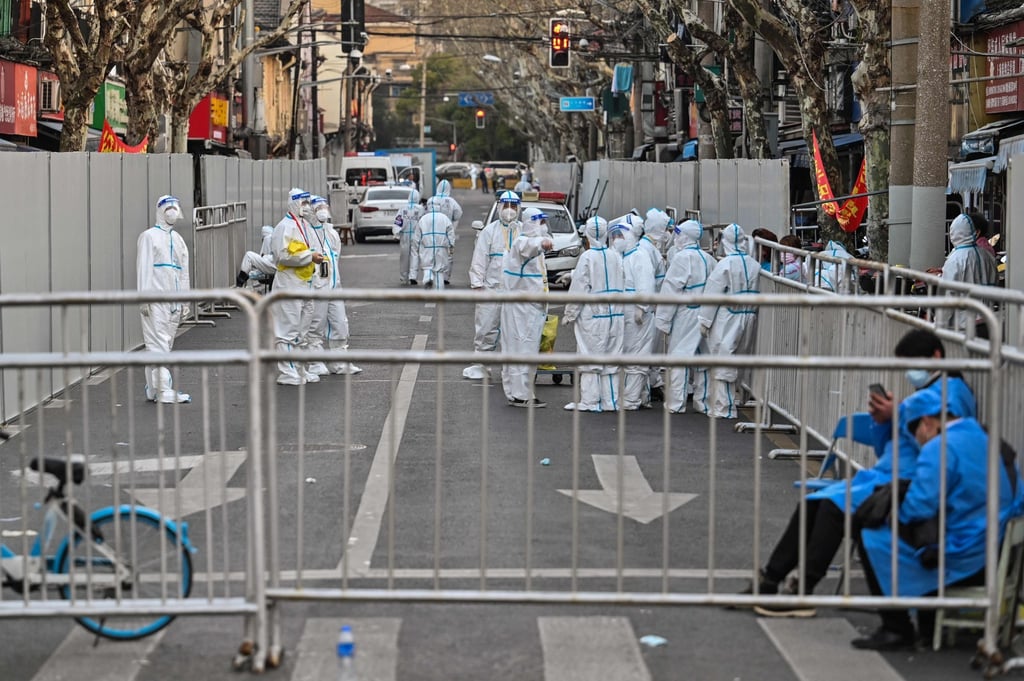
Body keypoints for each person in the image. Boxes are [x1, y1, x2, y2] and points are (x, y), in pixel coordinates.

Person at [748, 329, 977, 618]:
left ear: (936, 357)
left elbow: (940, 444)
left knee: (832, 508)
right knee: (813, 502)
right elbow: (890, 447)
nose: (910, 372)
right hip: (886, 475)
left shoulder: (952, 396)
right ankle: (770, 581)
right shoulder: (931, 391)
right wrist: (886, 420)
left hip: (909, 481)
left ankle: (802, 590)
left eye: (913, 363)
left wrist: (898, 415)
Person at [852, 388, 1021, 650]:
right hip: (997, 549)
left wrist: (893, 510)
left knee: (871, 534)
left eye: (916, 435)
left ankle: (896, 627)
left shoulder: (938, 448)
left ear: (927, 423)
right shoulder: (984, 436)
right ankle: (926, 625)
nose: (918, 443)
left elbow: (918, 507)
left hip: (965, 557)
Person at [562, 216, 625, 412]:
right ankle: (611, 401)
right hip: (616, 314)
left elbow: (579, 288)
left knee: (590, 356)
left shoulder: (587, 257)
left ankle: (590, 401)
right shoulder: (615, 255)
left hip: (593, 316)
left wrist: (570, 314)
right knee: (612, 357)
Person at [697, 223, 760, 419]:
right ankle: (732, 403)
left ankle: (723, 407)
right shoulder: (754, 264)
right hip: (749, 315)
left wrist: (704, 321)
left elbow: (712, 293)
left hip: (728, 316)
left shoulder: (724, 265)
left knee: (722, 360)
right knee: (738, 359)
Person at [655, 219, 716, 414]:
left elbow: (671, 289)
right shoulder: (708, 259)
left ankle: (675, 403)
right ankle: (703, 402)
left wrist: (663, 319)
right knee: (703, 358)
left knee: (678, 357)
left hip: (686, 313)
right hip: (706, 312)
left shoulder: (682, 259)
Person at [137, 194, 192, 404]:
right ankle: (163, 389)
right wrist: (144, 298)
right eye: (168, 208)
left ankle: (153, 387)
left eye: (175, 207)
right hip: (156, 299)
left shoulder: (178, 240)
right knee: (158, 344)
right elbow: (144, 268)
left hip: (174, 301)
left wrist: (185, 301)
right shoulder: (149, 237)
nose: (172, 211)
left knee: (163, 345)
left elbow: (183, 272)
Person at [464, 191, 522, 380]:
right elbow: (479, 260)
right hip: (492, 289)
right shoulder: (490, 231)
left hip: (517, 291)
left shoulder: (523, 231)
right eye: (506, 206)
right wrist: (477, 285)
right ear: (499, 207)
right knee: (486, 328)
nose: (510, 211)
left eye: (514, 206)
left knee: (516, 330)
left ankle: (513, 369)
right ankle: (482, 365)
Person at [500, 206, 553, 407]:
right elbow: (530, 246)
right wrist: (543, 242)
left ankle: (519, 392)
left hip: (530, 308)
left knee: (525, 348)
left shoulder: (534, 247)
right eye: (540, 222)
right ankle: (521, 394)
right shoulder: (522, 243)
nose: (543, 226)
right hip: (521, 309)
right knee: (522, 348)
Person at [270, 188, 324, 385]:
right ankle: (287, 371)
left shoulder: (304, 225)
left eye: (307, 203)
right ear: (293, 203)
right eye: (303, 203)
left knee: (302, 330)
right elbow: (282, 255)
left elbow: (315, 246)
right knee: (287, 330)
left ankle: (300, 368)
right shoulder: (284, 227)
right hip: (289, 284)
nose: (306, 207)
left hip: (305, 284)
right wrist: (309, 256)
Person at [306, 196, 361, 376]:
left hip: (334, 284)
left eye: (324, 206)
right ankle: (314, 361)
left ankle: (340, 361)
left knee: (340, 323)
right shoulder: (306, 232)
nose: (322, 210)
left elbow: (336, 255)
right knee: (316, 324)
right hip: (317, 286)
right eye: (318, 207)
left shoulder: (331, 233)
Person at [935, 212, 999, 332]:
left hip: (962, 324)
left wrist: (938, 323)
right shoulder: (987, 256)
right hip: (987, 320)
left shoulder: (955, 259)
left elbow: (948, 295)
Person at [619, 219, 657, 409]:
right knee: (631, 352)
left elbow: (646, 283)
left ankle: (632, 399)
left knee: (636, 354)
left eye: (621, 234)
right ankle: (640, 396)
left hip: (638, 314)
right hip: (629, 311)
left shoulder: (639, 256)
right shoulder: (628, 255)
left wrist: (641, 307)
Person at [411, 197, 455, 290]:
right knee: (439, 272)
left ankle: (428, 278)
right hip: (441, 248)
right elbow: (451, 233)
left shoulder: (423, 219)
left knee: (427, 266)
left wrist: (416, 246)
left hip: (427, 247)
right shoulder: (445, 218)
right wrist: (451, 245)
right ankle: (439, 292)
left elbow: (417, 236)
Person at [431, 180, 462, 285]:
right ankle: (445, 277)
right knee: (448, 254)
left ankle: (433, 275)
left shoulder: (432, 200)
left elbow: (425, 214)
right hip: (446, 231)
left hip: (432, 231)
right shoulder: (451, 201)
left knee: (432, 253)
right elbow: (458, 213)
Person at [392, 189, 422, 286]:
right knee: (415, 255)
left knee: (404, 256)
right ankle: (413, 276)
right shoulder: (421, 209)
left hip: (405, 235)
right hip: (416, 235)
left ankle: (403, 277)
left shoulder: (403, 208)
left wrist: (396, 233)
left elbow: (398, 221)